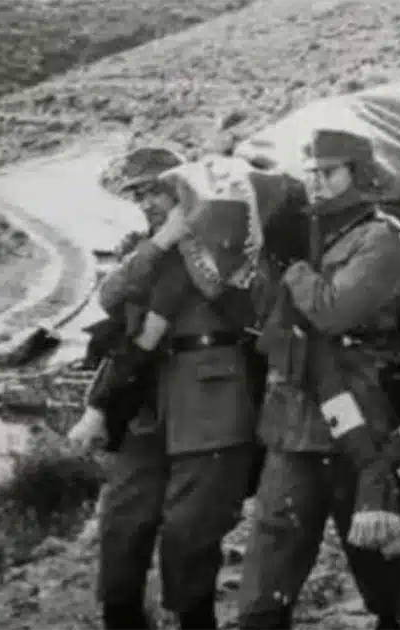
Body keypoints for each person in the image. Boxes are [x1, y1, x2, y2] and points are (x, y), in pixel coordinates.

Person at [236, 128, 400, 630]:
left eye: (330, 172)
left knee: (377, 550)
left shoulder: (381, 236)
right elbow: (262, 312)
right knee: (272, 543)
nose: (319, 184)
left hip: (359, 409)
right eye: (313, 174)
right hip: (293, 415)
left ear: (359, 174)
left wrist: (293, 268)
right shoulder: (296, 232)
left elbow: (332, 310)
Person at [67, 145, 267, 630]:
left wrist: (184, 237)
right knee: (122, 524)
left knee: (188, 535)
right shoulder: (148, 244)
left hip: (212, 400)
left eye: (152, 191)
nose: (145, 203)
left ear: (181, 186)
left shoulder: (224, 234)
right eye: (136, 194)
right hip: (147, 405)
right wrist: (163, 240)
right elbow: (111, 297)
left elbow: (248, 298)